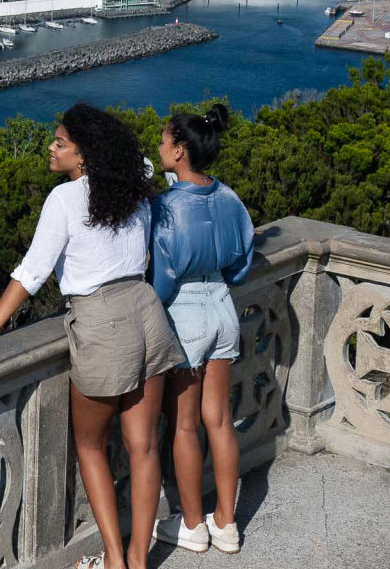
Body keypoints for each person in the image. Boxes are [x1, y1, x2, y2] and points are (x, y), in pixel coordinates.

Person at [0, 103, 183, 569]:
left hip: (102, 322)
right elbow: (141, 162)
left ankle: (115, 558)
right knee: (143, 447)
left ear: (84, 155)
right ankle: (138, 560)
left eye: (60, 143)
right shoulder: (130, 185)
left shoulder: (64, 200)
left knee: (90, 445)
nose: (50, 147)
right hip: (147, 312)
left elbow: (32, 271)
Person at [148, 103, 256, 556]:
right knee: (220, 419)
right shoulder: (229, 197)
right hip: (223, 307)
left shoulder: (166, 207)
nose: (158, 146)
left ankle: (192, 524)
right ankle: (227, 523)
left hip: (185, 313)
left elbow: (162, 280)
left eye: (163, 140)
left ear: (179, 151)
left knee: (185, 426)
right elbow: (242, 263)